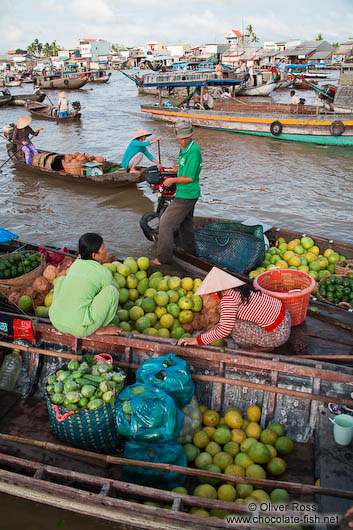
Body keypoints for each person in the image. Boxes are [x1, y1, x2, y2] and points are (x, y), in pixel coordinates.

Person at [178, 267, 291, 352]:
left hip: (277, 334)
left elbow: (224, 330)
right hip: (285, 317)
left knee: (234, 327)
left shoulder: (229, 298)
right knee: (231, 321)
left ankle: (264, 347)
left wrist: (197, 341)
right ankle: (265, 342)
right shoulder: (239, 289)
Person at [49, 233, 121, 338]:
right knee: (112, 291)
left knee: (61, 280)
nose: (106, 249)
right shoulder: (104, 273)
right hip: (79, 328)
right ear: (94, 255)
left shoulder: (75, 264)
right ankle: (102, 328)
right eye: (102, 248)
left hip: (55, 320)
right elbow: (106, 296)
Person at [152, 118, 202, 265]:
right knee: (185, 224)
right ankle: (190, 253)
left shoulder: (193, 150)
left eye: (186, 138)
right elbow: (188, 169)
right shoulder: (184, 149)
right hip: (187, 193)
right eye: (181, 138)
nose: (183, 141)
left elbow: (189, 178)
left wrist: (172, 180)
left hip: (187, 194)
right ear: (176, 136)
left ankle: (164, 258)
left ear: (191, 135)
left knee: (165, 223)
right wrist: (178, 170)